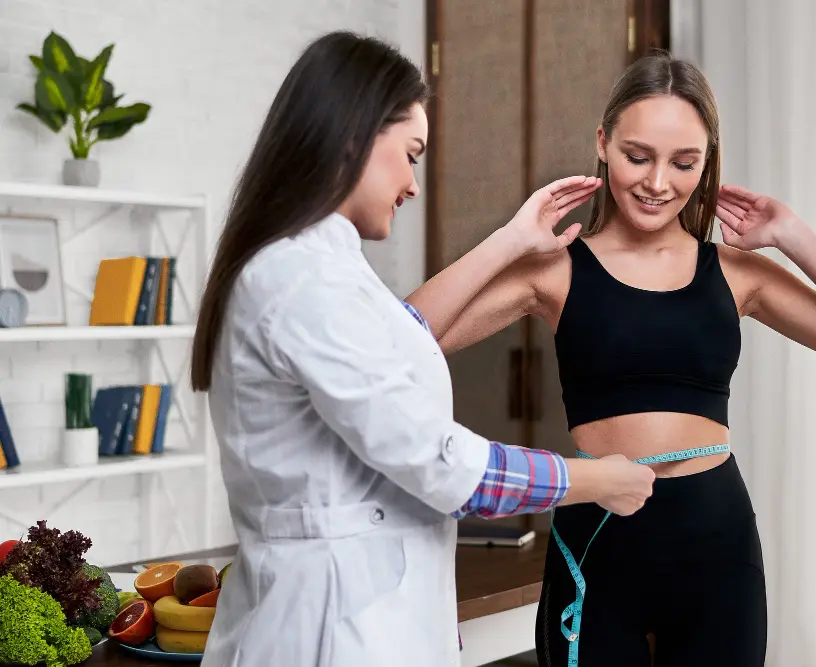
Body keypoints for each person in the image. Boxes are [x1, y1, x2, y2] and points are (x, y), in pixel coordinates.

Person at [406, 50, 816, 666]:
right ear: (603, 142)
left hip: (716, 542)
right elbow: (396, 340)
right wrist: (510, 240)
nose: (657, 183)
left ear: (707, 164)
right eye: (637, 156)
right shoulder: (555, 272)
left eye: (684, 163)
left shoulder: (737, 274)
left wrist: (791, 235)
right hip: (598, 535)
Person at [188, 32, 656, 667]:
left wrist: (512, 240)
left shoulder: (321, 270)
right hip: (330, 630)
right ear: (352, 134)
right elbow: (448, 470)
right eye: (410, 154)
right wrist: (597, 478)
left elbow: (400, 336)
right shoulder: (301, 279)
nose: (412, 183)